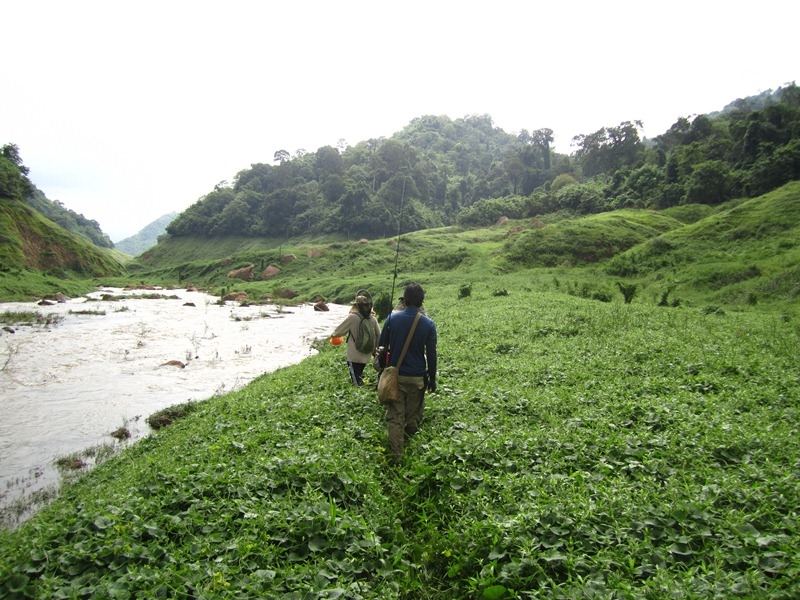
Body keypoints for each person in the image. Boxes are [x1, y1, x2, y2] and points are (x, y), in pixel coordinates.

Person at [377, 282, 437, 462]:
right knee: (412, 417)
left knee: (395, 418)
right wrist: (432, 379)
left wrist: (382, 370)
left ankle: (397, 457)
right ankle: (410, 449)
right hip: (418, 378)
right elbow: (432, 355)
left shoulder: (391, 319)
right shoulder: (428, 324)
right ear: (421, 302)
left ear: (405, 300)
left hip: (396, 376)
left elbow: (381, 347)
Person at [331, 290, 380, 386]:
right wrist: (375, 350)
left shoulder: (352, 317)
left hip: (354, 356)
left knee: (355, 382)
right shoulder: (373, 319)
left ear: (356, 306)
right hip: (367, 355)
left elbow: (337, 332)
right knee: (359, 376)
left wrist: (333, 336)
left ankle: (359, 392)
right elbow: (379, 335)